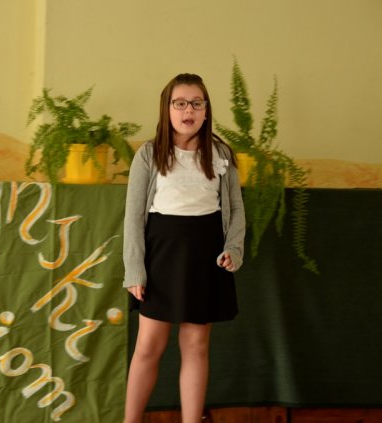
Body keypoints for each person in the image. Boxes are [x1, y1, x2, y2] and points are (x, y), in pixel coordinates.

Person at [123, 73, 246, 423]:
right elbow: (133, 217)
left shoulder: (220, 155)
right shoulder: (149, 154)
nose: (188, 110)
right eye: (180, 103)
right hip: (161, 257)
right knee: (149, 346)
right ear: (167, 109)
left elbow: (236, 209)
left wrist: (233, 249)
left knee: (196, 346)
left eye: (196, 103)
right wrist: (135, 270)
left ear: (206, 111)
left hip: (205, 257)